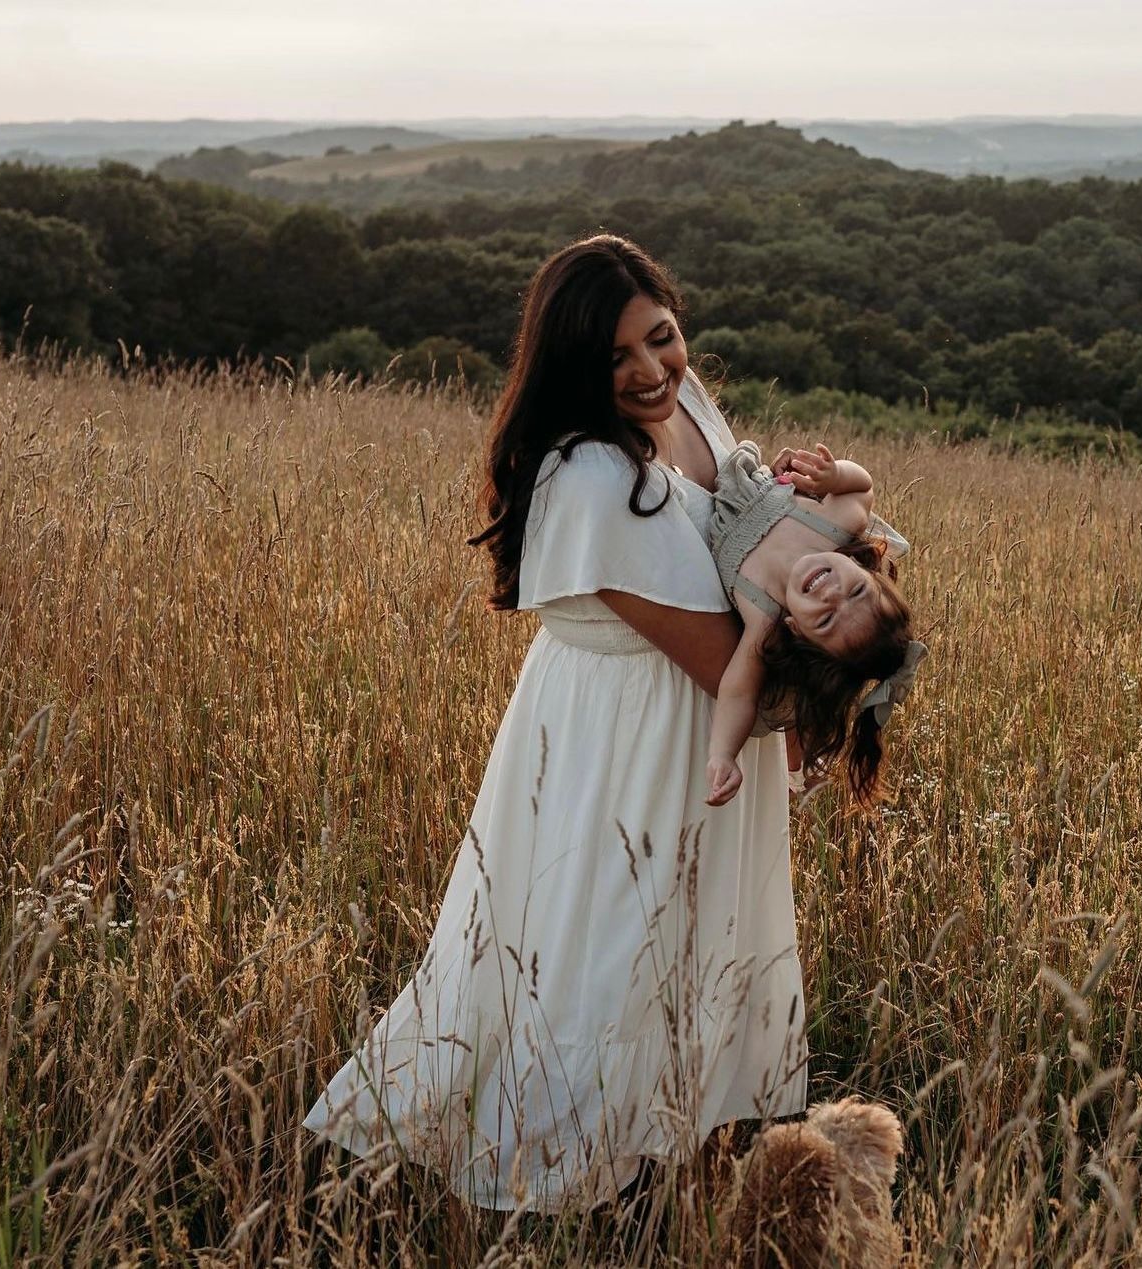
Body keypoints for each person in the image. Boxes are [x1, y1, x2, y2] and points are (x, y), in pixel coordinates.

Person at [303, 235, 807, 1213]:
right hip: (635, 736)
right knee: (609, 948)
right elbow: (721, 658)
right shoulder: (587, 478)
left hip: (708, 718)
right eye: (616, 358)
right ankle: (565, 1186)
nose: (652, 370)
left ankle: (667, 1153)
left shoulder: (688, 402)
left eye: (662, 339)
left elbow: (754, 535)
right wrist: (861, 669)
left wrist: (837, 531)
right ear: (573, 368)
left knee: (692, 939)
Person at [704, 440, 927, 809]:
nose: (831, 594)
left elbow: (739, 694)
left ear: (796, 630)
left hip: (699, 500)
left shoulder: (764, 616)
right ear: (863, 569)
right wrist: (834, 476)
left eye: (824, 620)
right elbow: (863, 488)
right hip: (738, 467)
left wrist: (723, 755)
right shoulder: (832, 527)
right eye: (856, 591)